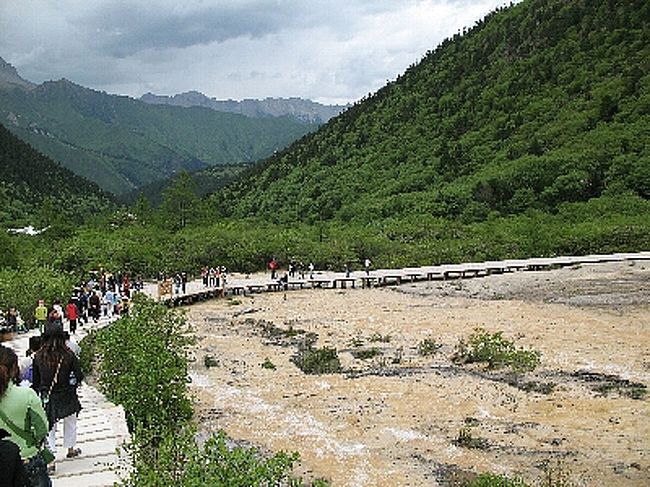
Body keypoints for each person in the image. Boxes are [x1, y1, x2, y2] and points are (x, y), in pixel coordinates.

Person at [33, 325, 83, 471]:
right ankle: (70, 449)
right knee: (70, 421)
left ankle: (51, 459)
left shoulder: (38, 356)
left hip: (48, 395)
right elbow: (79, 375)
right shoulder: (68, 354)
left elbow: (36, 381)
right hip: (66, 393)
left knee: (49, 427)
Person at [0, 345, 50, 486]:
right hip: (27, 457)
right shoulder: (26, 395)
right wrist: (33, 440)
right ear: (13, 368)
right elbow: (42, 428)